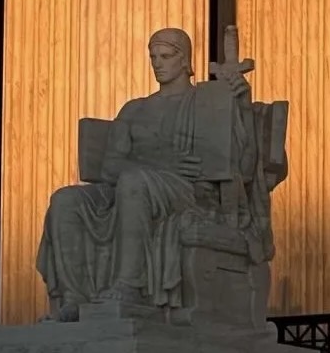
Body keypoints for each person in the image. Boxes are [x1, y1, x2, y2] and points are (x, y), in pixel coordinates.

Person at [35, 28, 262, 320]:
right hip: (132, 184)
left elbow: (242, 164)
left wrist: (242, 107)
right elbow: (109, 167)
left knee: (134, 183)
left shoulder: (206, 103)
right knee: (65, 199)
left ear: (185, 60)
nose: (157, 63)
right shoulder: (134, 109)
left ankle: (131, 285)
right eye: (153, 57)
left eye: (165, 56)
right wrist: (159, 162)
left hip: (186, 191)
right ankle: (74, 297)